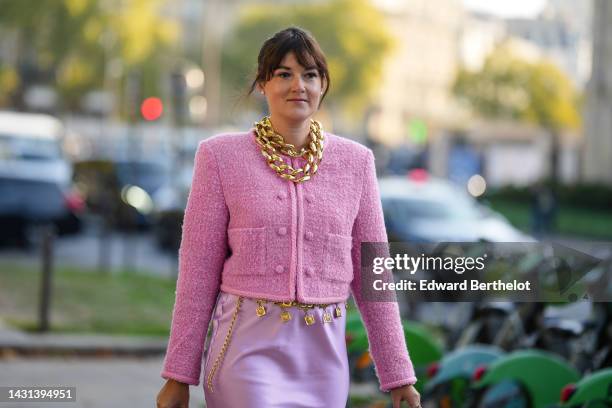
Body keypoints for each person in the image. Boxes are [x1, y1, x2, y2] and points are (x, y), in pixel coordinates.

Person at [156, 26, 421, 408]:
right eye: (284, 73)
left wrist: (399, 377)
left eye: (310, 74)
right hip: (245, 352)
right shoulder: (219, 158)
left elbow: (374, 277)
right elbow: (197, 273)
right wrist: (178, 376)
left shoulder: (356, 162)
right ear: (262, 84)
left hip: (324, 359)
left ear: (323, 85)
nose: (299, 84)